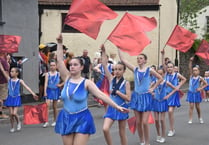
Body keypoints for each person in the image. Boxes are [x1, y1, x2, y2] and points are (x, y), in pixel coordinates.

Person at [54, 34, 129, 145]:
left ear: (81, 67)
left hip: (82, 118)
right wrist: (60, 43)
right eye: (71, 65)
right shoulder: (67, 78)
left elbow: (101, 95)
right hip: (66, 117)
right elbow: (60, 61)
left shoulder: (86, 83)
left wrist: (116, 106)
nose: (72, 67)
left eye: (75, 65)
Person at [118, 49, 163, 145]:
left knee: (145, 122)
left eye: (141, 58)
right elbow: (123, 60)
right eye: (137, 58)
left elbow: (160, 78)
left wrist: (153, 88)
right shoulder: (135, 69)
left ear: (145, 60)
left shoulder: (149, 70)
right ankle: (141, 140)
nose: (138, 60)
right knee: (138, 122)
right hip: (137, 97)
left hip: (146, 97)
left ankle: (147, 142)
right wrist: (119, 47)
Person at [101, 45, 131, 145]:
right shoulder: (111, 79)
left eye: (119, 69)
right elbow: (104, 65)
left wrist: (118, 92)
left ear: (124, 71)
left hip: (121, 107)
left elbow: (128, 98)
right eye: (115, 69)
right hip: (111, 107)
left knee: (121, 133)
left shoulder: (126, 83)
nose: (116, 71)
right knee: (105, 129)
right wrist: (103, 52)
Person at [0, 63, 38, 133]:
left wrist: (33, 93)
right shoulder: (9, 79)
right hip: (10, 97)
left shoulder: (19, 81)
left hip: (16, 97)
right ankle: (12, 127)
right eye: (10, 71)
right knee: (11, 114)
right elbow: (2, 70)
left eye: (12, 71)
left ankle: (18, 122)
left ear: (17, 73)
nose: (11, 73)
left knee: (14, 113)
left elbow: (26, 87)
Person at [152, 68, 177, 143]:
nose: (159, 75)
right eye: (158, 74)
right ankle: (158, 134)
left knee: (162, 120)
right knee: (156, 120)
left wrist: (168, 95)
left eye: (161, 74)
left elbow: (175, 89)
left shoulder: (166, 82)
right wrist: (152, 93)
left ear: (163, 74)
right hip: (156, 101)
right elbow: (148, 89)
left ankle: (163, 136)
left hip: (163, 102)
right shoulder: (154, 82)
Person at [164, 62, 186, 137]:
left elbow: (184, 79)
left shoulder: (176, 74)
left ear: (173, 68)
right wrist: (162, 55)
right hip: (166, 94)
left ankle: (171, 129)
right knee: (165, 113)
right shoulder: (165, 75)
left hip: (173, 95)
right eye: (168, 67)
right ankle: (168, 128)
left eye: (171, 67)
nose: (169, 68)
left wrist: (178, 86)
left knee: (170, 111)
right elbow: (163, 65)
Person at [186, 56, 207, 124]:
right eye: (193, 70)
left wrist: (200, 88)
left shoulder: (200, 78)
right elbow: (189, 68)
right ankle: (190, 119)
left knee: (197, 106)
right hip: (191, 92)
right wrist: (190, 61)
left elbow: (206, 84)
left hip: (197, 93)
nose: (194, 71)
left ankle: (200, 117)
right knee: (191, 106)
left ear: (199, 71)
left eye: (196, 70)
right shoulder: (191, 76)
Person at [43, 59, 62, 128]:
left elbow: (66, 79)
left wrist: (61, 84)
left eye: (54, 65)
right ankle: (46, 121)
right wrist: (45, 91)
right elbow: (45, 83)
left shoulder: (58, 74)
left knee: (54, 106)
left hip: (56, 90)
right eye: (51, 65)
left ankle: (55, 120)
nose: (52, 67)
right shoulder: (47, 74)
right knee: (47, 105)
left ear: (56, 66)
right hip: (49, 90)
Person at [0, 52, 9, 119]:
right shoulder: (3, 61)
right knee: (1, 99)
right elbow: (6, 72)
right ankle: (0, 114)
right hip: (2, 81)